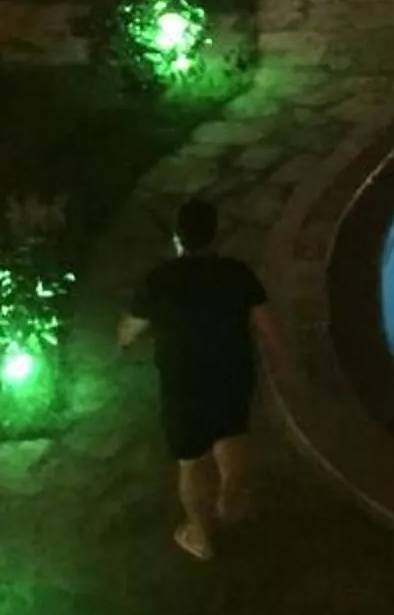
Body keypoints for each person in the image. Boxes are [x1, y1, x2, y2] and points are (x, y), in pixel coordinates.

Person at [117, 197, 281, 559]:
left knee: (191, 462)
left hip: (183, 385)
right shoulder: (237, 273)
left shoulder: (159, 281)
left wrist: (125, 341)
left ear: (178, 238)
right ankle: (230, 503)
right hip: (232, 376)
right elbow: (268, 329)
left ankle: (202, 536)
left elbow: (127, 332)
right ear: (215, 235)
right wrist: (284, 366)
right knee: (231, 437)